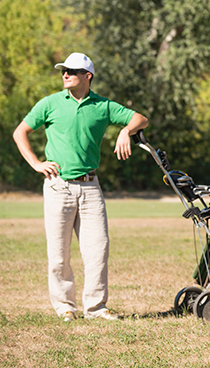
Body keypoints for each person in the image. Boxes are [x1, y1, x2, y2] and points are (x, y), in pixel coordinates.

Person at [12, 52, 148, 322]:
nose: (65, 74)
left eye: (72, 71)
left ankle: (96, 308)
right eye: (63, 70)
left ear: (88, 76)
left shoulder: (103, 105)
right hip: (57, 187)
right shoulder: (50, 103)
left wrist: (125, 131)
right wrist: (37, 163)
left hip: (90, 188)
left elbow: (140, 119)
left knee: (98, 250)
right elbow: (20, 132)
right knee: (58, 255)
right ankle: (65, 307)